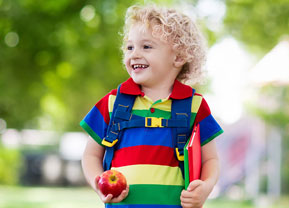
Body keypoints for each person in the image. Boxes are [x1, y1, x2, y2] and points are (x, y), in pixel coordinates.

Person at [81, 4, 223, 208]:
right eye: (130, 47)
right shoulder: (113, 103)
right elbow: (91, 155)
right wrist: (99, 184)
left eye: (146, 47)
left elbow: (211, 160)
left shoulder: (194, 106)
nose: (134, 54)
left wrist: (206, 187)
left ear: (178, 57)